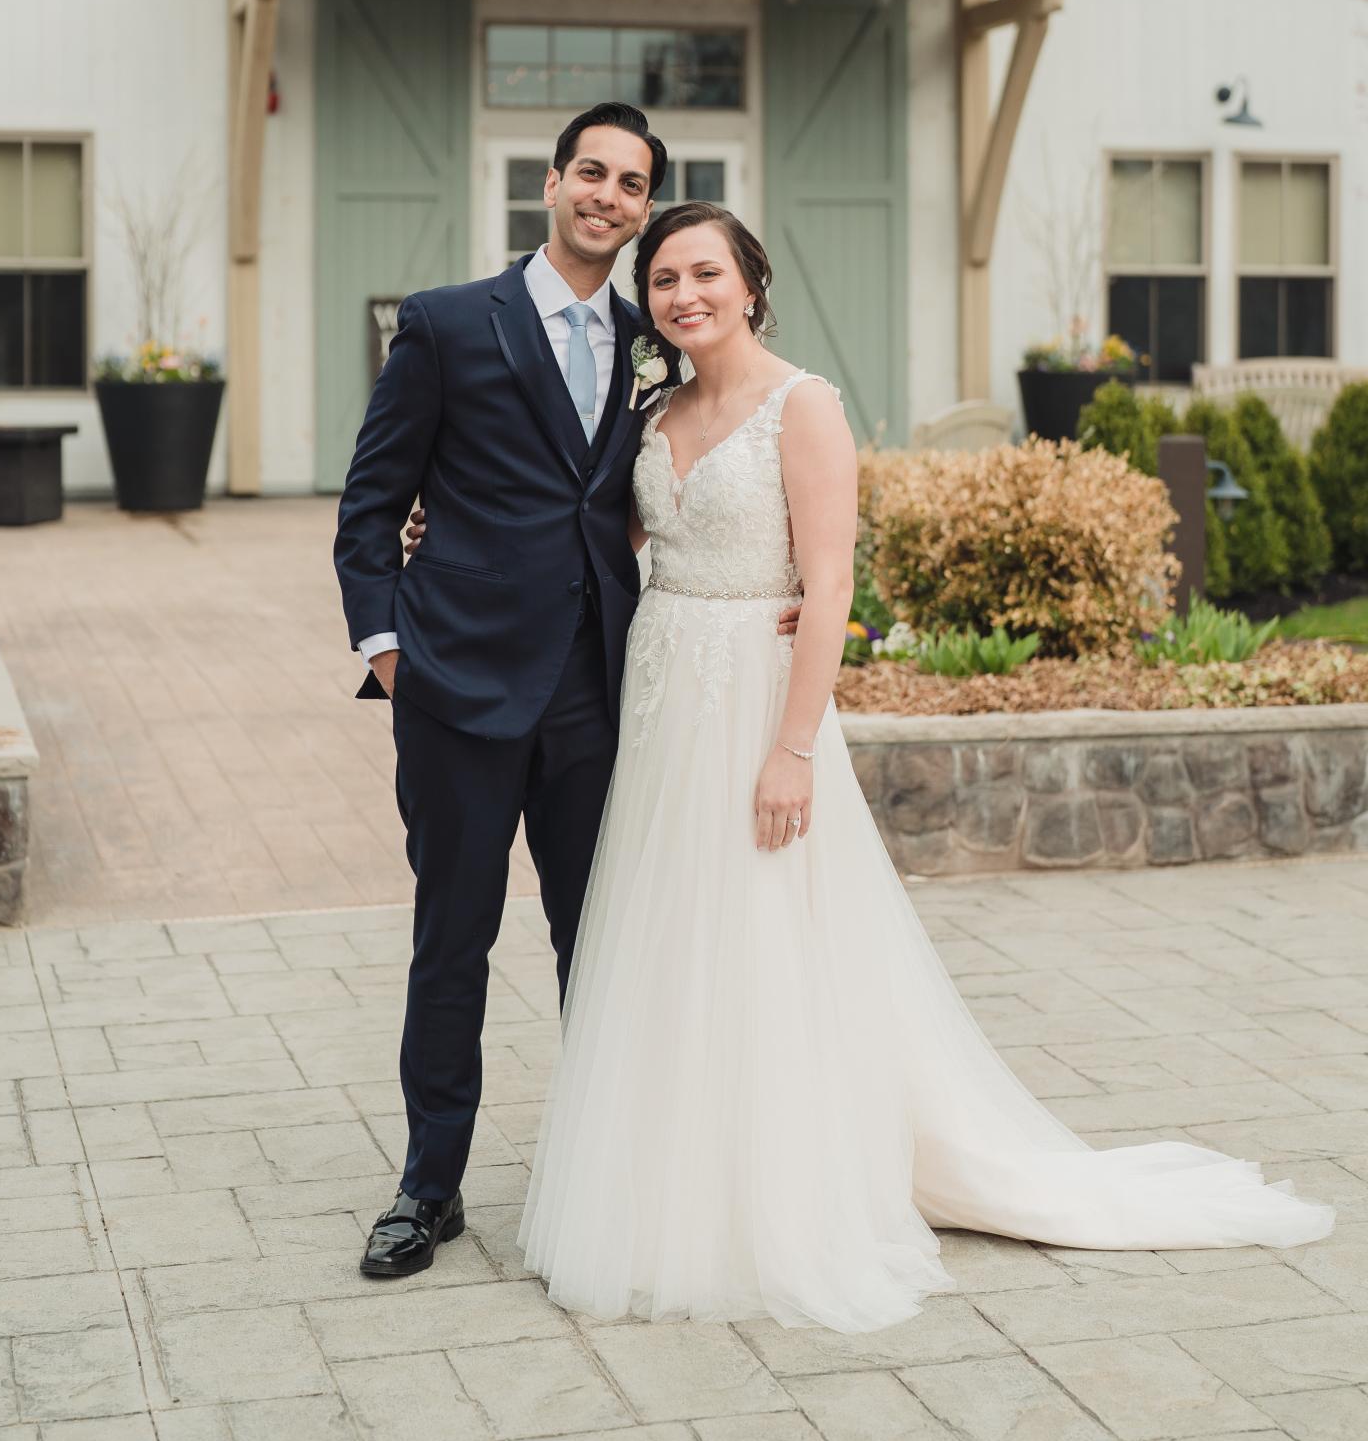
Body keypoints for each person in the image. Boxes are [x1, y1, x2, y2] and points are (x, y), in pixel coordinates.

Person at [518, 201, 1335, 1330]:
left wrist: (794, 751)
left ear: (751, 283)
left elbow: (834, 584)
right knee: (674, 934)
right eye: (662, 280)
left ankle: (780, 1186)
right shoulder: (654, 407)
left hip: (759, 707)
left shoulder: (802, 408)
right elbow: (612, 539)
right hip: (666, 700)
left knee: (765, 933)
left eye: (704, 272)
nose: (682, 295)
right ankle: (676, 1168)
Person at [332, 110, 799, 1280]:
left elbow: (733, 467)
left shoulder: (660, 341)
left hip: (602, 697)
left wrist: (783, 596)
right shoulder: (445, 324)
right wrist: (392, 650)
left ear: (647, 208)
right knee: (454, 942)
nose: (608, 195)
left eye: (632, 183)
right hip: (459, 691)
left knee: (603, 942)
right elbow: (370, 504)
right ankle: (427, 1185)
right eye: (591, 171)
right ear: (553, 182)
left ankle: (613, 1172)